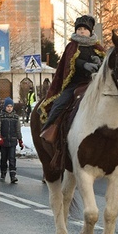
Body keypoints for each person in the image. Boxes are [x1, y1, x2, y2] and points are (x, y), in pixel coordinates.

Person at [39, 14, 105, 143]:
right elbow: (68, 63)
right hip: (75, 84)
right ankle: (48, 130)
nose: (81, 31)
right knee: (59, 104)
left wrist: (100, 62)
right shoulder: (72, 47)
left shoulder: (97, 48)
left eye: (85, 29)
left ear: (90, 31)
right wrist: (83, 64)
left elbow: (106, 65)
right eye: (79, 29)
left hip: (94, 84)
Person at [0, 97, 23, 183]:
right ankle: (3, 173)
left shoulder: (15, 117)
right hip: (3, 141)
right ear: (5, 107)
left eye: (11, 106)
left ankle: (13, 176)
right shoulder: (1, 116)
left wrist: (20, 140)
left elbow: (18, 130)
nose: (9, 108)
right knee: (4, 158)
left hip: (12, 141)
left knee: (12, 158)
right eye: (7, 106)